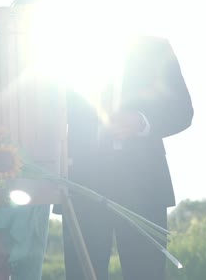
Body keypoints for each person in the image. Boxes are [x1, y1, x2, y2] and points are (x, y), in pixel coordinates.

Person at [60, 16, 194, 278]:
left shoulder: (156, 49)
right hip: (82, 185)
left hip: (143, 187)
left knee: (145, 274)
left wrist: (141, 122)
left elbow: (182, 111)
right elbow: (45, 113)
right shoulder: (67, 52)